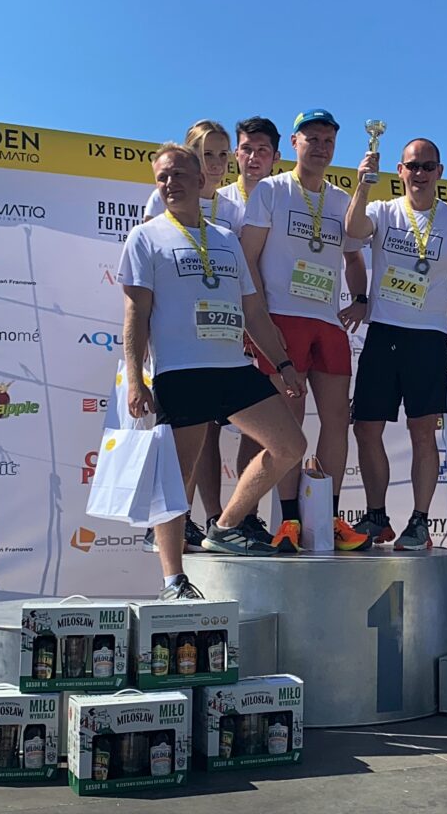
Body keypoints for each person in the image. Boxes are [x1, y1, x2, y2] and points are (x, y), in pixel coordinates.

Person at [119, 143, 307, 599]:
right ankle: (173, 580)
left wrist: (282, 363)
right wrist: (135, 378)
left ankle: (225, 526)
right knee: (176, 479)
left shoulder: (225, 238)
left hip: (233, 367)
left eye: (179, 174)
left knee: (291, 445)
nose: (170, 183)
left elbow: (253, 311)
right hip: (182, 370)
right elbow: (135, 312)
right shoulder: (145, 237)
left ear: (201, 180)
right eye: (162, 176)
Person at [241, 108, 371, 553]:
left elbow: (353, 256)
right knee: (288, 425)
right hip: (282, 317)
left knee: (337, 422)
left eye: (328, 140)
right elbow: (248, 257)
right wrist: (259, 318)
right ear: (294, 143)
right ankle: (290, 521)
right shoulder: (271, 190)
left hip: (327, 322)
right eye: (311, 138)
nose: (320, 147)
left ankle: (329, 518)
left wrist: (360, 298)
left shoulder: (341, 200)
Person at [347, 138, 447, 550]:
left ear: (440, 171)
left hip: (429, 337)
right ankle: (376, 516)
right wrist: (363, 183)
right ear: (399, 171)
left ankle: (420, 521)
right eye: (412, 166)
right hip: (383, 331)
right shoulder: (383, 210)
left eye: (427, 166)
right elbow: (352, 231)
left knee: (422, 433)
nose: (420, 173)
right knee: (366, 428)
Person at [140, 119, 242, 554]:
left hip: (219, 339)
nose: (215, 163)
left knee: (209, 436)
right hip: (179, 345)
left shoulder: (232, 207)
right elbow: (152, 272)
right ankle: (170, 526)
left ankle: (216, 518)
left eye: (221, 154)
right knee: (189, 442)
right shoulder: (161, 200)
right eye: (206, 154)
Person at [221, 116, 282, 545]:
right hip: (220, 322)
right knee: (206, 426)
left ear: (276, 156)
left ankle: (246, 515)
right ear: (235, 154)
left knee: (258, 424)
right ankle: (210, 517)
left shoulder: (283, 196)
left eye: (263, 150)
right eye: (247, 149)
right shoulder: (219, 200)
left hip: (267, 321)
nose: (254, 157)